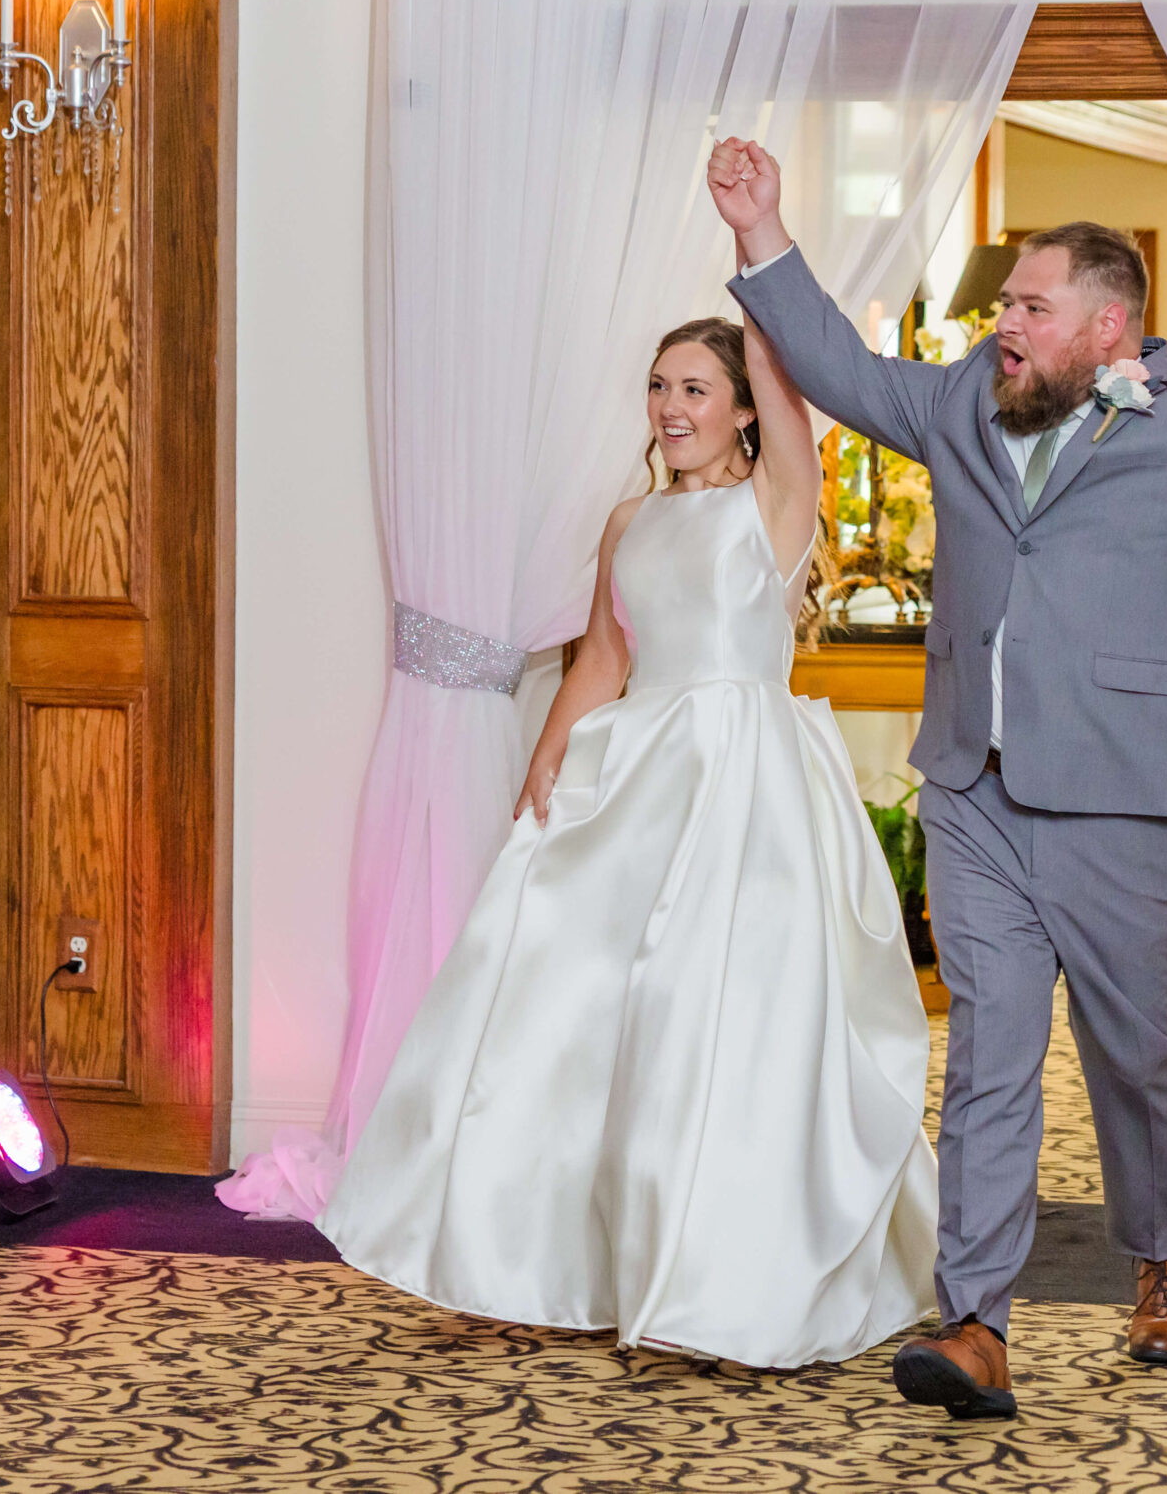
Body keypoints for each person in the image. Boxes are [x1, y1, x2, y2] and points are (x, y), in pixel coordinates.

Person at [709, 137, 1167, 1420]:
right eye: (1005, 307)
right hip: (974, 788)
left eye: (1029, 308)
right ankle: (976, 1320)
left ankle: (1163, 1252)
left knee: (1131, 1050)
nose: (1004, 324)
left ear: (1108, 325)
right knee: (990, 1049)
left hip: (1128, 791)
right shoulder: (959, 404)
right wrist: (761, 229)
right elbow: (836, 365)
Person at [317, 316, 939, 1370]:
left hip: (744, 780)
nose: (672, 408)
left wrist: (756, 257)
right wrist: (546, 761)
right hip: (638, 776)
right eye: (660, 387)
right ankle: (583, 1261)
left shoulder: (773, 507)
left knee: (720, 1022)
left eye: (698, 388)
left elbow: (795, 422)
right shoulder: (627, 522)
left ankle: (720, 1278)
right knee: (588, 1014)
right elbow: (603, 658)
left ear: (745, 408)